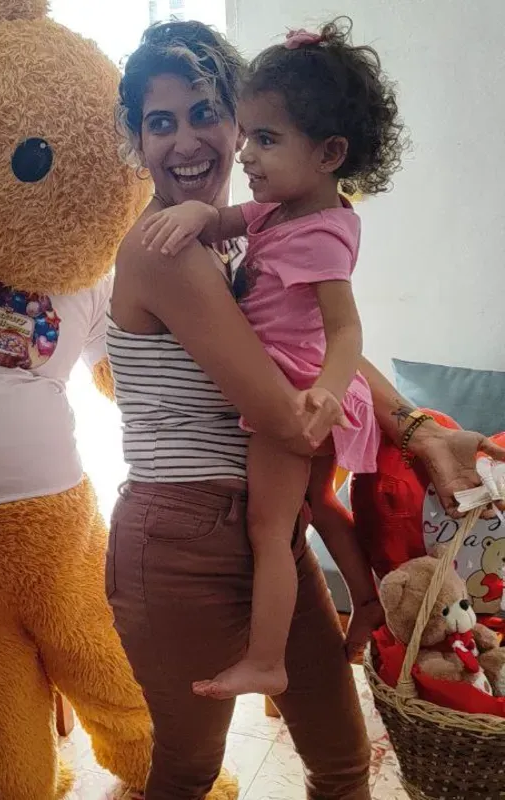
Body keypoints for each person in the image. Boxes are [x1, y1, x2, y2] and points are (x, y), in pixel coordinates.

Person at [107, 19, 505, 800]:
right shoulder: (166, 249)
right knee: (189, 769)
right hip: (183, 543)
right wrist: (402, 431)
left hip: (269, 529)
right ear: (139, 141)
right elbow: (290, 413)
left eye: (204, 113)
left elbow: (314, 345)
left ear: (238, 122)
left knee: (344, 763)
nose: (185, 140)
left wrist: (417, 428)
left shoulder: (248, 234)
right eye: (159, 122)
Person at [139, 18, 402, 700]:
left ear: (329, 153)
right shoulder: (276, 211)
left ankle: (266, 660)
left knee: (269, 528)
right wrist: (197, 216)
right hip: (306, 392)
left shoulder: (319, 235)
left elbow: (346, 329)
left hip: (295, 396)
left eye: (266, 139)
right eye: (248, 135)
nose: (247, 154)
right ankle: (366, 599)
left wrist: (324, 393)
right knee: (318, 503)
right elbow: (221, 220)